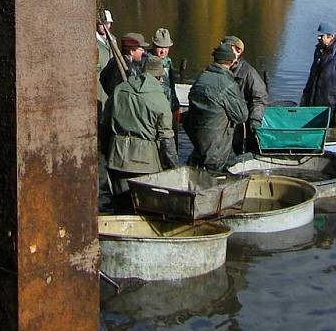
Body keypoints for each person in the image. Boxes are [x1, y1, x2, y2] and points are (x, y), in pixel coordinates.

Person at [102, 56, 178, 209]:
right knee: (144, 210)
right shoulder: (159, 99)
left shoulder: (120, 90)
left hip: (117, 158)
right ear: (160, 77)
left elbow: (105, 125)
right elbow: (167, 140)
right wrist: (174, 168)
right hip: (145, 164)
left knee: (121, 208)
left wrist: (106, 153)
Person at [184, 43, 248, 171]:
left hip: (198, 142)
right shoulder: (228, 85)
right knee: (215, 180)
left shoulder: (201, 78)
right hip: (217, 145)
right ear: (231, 62)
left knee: (199, 176)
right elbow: (242, 116)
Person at [300, 21, 336, 128]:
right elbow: (312, 77)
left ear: (331, 37)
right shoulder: (318, 51)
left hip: (332, 107)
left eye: (321, 36)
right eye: (318, 35)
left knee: (330, 137)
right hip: (314, 106)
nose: (318, 38)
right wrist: (305, 96)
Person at [222, 36, 268, 154]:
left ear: (238, 51)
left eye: (229, 49)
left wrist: (255, 119)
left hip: (241, 123)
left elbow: (260, 98)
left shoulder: (248, 73)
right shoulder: (219, 69)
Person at [99, 32, 148, 99]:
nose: (143, 52)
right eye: (141, 49)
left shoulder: (130, 63)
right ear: (132, 51)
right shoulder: (120, 67)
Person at [96, 10, 114, 120]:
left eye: (108, 23)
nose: (105, 26)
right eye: (102, 23)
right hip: (98, 83)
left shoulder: (113, 40)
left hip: (110, 82)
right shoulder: (93, 41)